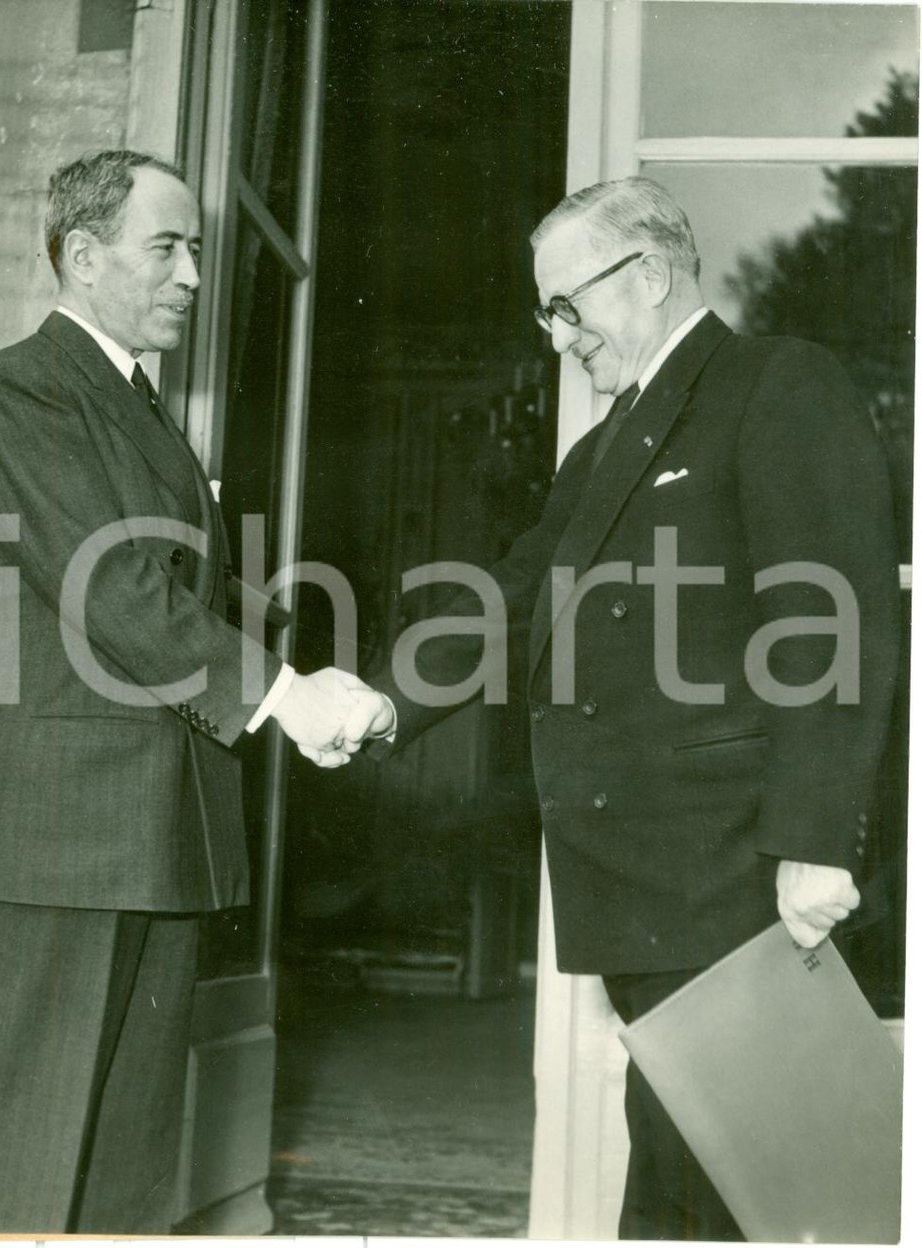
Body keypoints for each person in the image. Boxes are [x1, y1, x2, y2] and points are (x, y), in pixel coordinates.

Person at [360, 177, 901, 1240]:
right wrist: (379, 701)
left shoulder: (776, 384)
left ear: (648, 276)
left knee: (755, 1187)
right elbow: (518, 596)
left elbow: (829, 619)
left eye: (568, 305)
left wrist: (814, 840)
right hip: (648, 884)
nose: (557, 336)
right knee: (686, 1170)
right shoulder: (603, 447)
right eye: (545, 312)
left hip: (736, 873)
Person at [0, 148, 387, 1233]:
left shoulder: (134, 408)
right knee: (11, 1174)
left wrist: (333, 669)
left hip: (146, 832)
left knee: (123, 1182)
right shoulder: (25, 387)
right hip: (57, 838)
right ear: (83, 257)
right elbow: (118, 586)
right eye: (165, 249)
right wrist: (284, 695)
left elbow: (198, 590)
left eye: (196, 251)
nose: (190, 275)